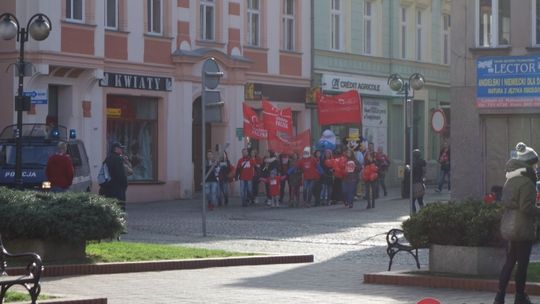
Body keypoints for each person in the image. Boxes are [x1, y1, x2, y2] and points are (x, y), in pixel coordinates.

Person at [494, 142, 540, 304]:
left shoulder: (510, 179)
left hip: (510, 227)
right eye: (534, 164)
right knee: (522, 265)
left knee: (509, 262)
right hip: (522, 228)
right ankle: (520, 296)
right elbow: (526, 207)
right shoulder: (527, 182)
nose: (536, 168)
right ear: (528, 164)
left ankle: (499, 296)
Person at [100, 142, 128, 210]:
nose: (122, 150)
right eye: (120, 148)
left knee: (109, 208)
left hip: (106, 188)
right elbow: (121, 176)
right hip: (117, 189)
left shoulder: (107, 158)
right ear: (116, 149)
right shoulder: (118, 159)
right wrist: (125, 185)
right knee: (119, 208)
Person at [411, 149, 426, 214]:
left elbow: (412, 173)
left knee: (412, 200)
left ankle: (414, 213)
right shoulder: (423, 162)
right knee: (420, 200)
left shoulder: (414, 163)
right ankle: (423, 212)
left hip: (415, 183)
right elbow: (424, 171)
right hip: (421, 182)